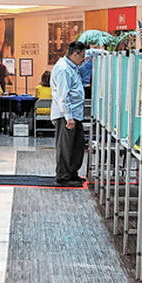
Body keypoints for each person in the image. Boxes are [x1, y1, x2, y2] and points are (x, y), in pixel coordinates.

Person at [50, 41, 87, 186]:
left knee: (76, 146)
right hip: (66, 115)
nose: (84, 59)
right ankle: (63, 177)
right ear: (75, 53)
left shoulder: (73, 66)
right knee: (65, 146)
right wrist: (68, 117)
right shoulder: (63, 69)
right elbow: (62, 96)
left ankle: (72, 173)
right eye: (82, 56)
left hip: (75, 114)